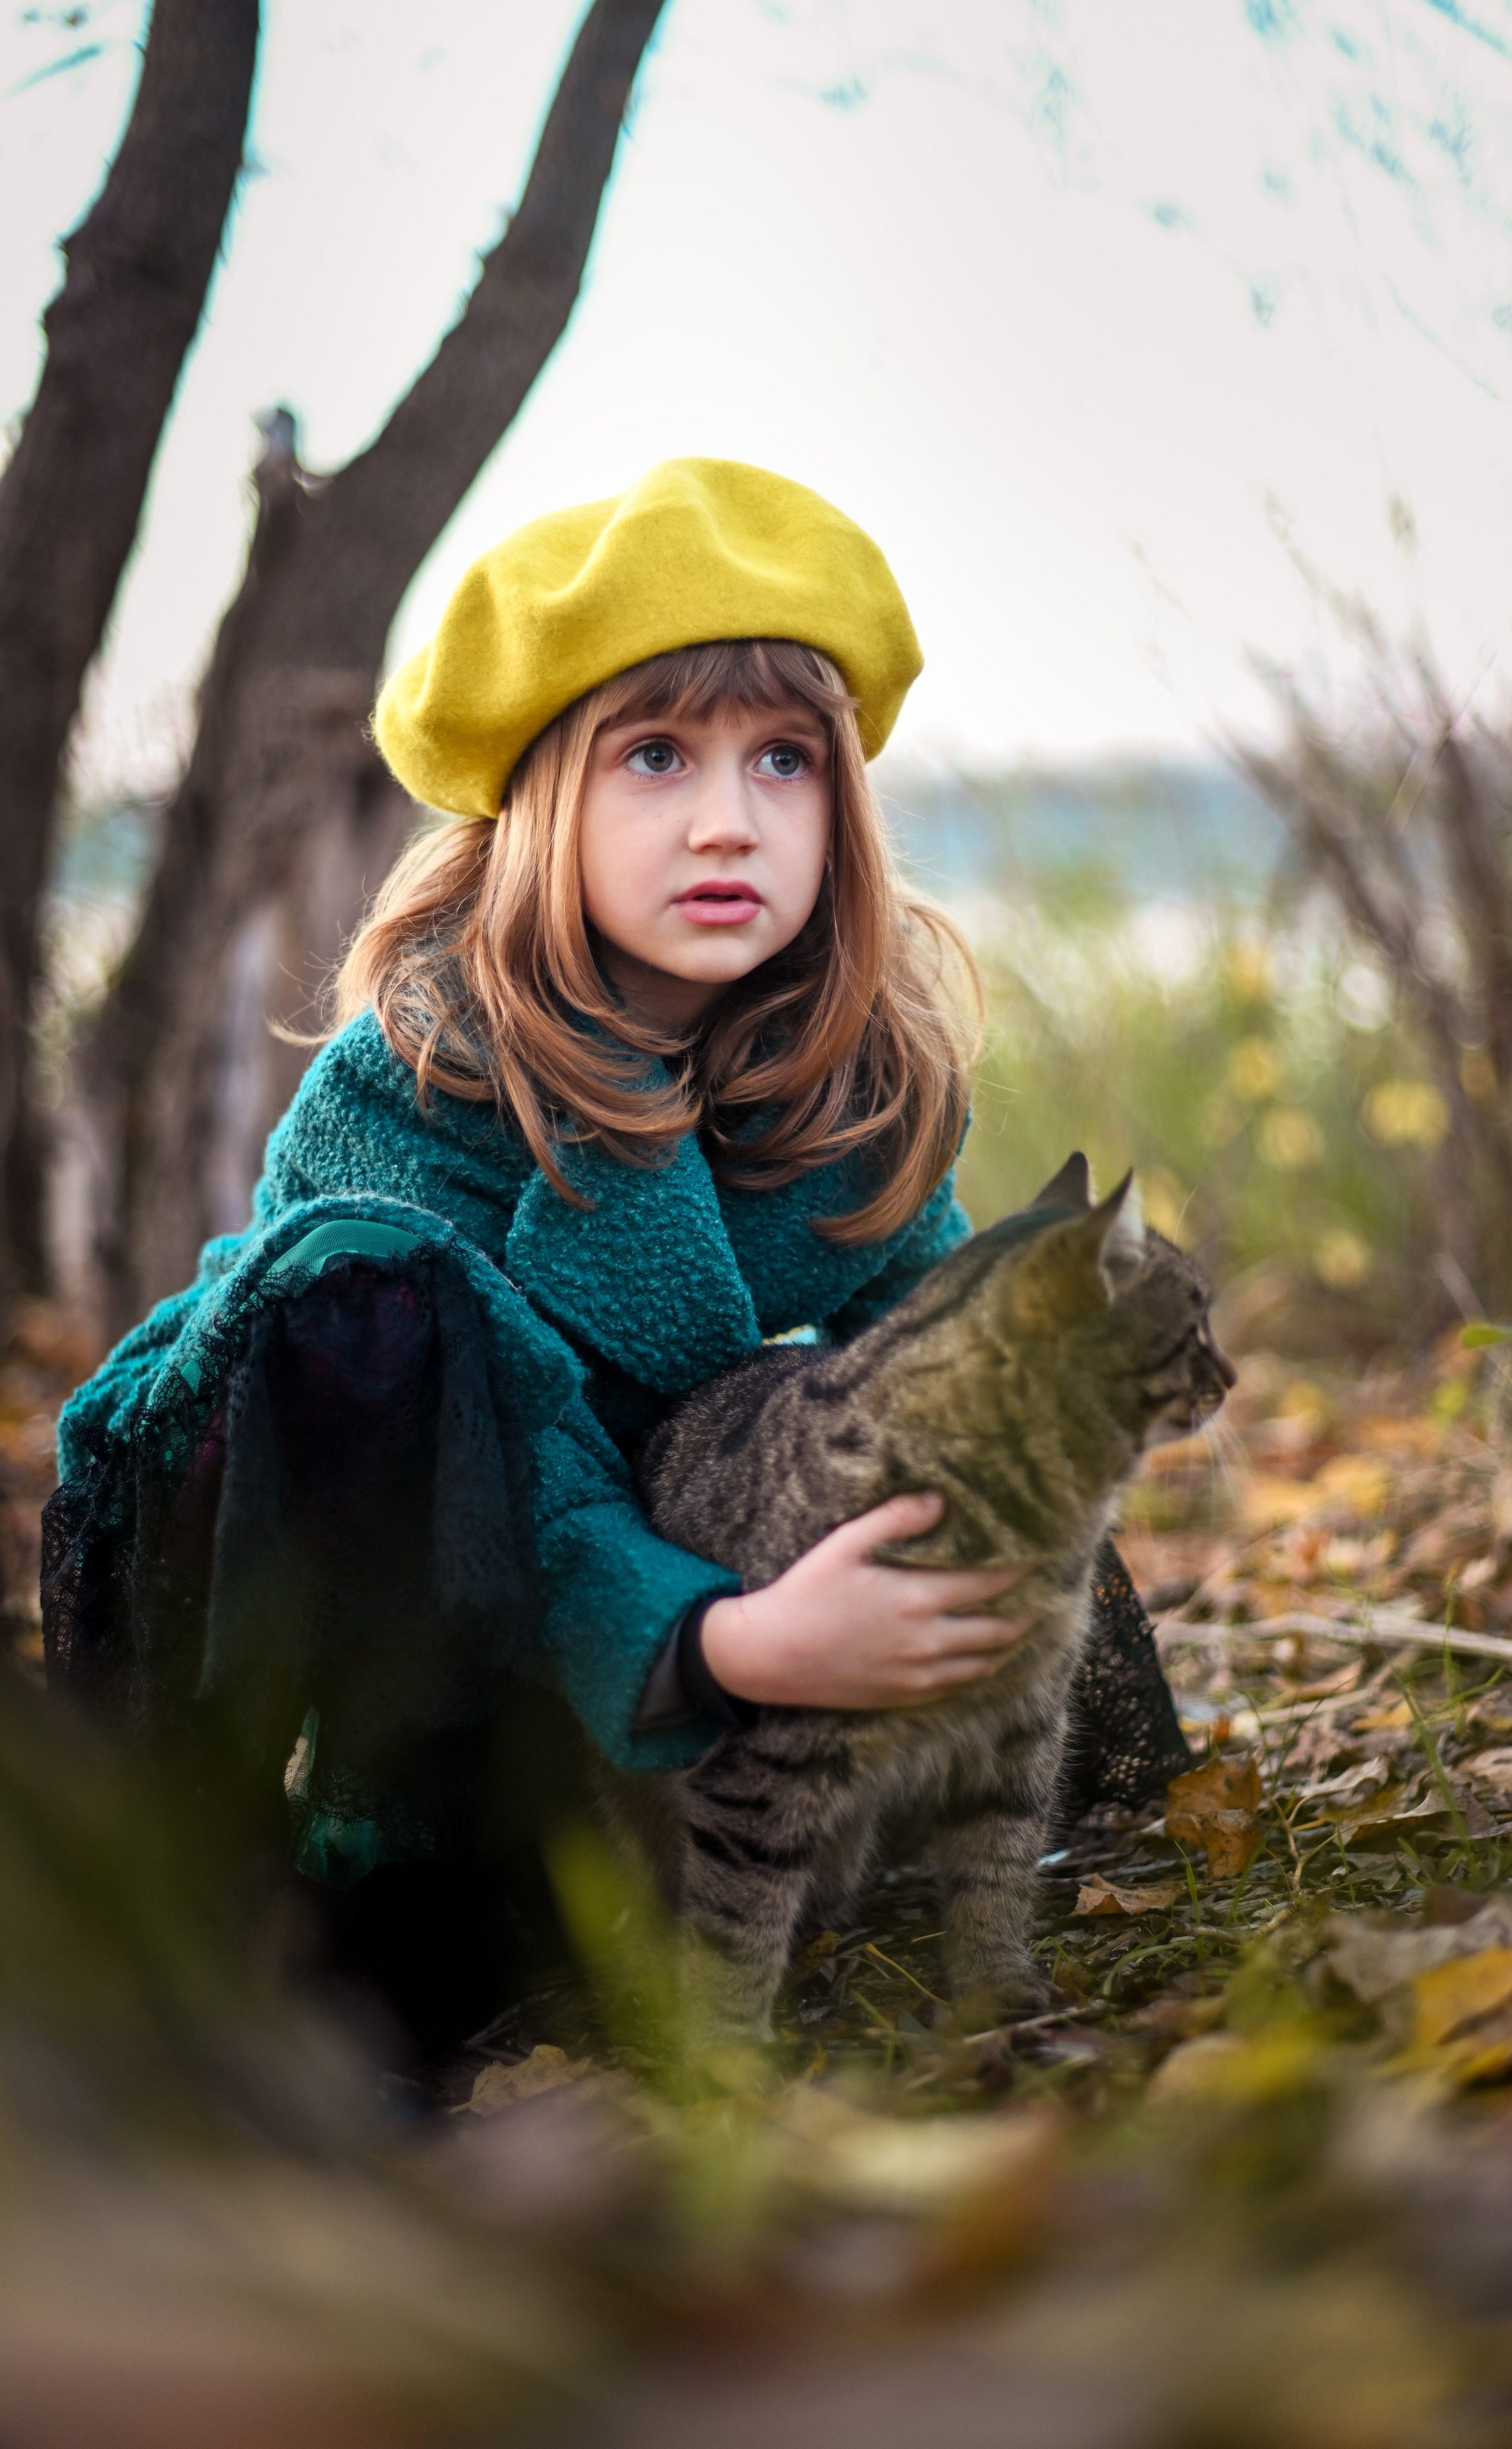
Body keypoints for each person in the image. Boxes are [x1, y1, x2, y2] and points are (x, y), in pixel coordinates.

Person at [43, 459, 1191, 2050]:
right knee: (365, 1301)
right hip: (446, 1572)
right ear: (535, 804)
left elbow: (930, 1334)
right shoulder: (408, 1085)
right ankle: (375, 1914)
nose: (729, 822)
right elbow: (516, 1461)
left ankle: (984, 1839)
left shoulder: (837, 1075)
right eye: (656, 757)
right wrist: (726, 1642)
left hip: (666, 1589)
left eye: (784, 761)